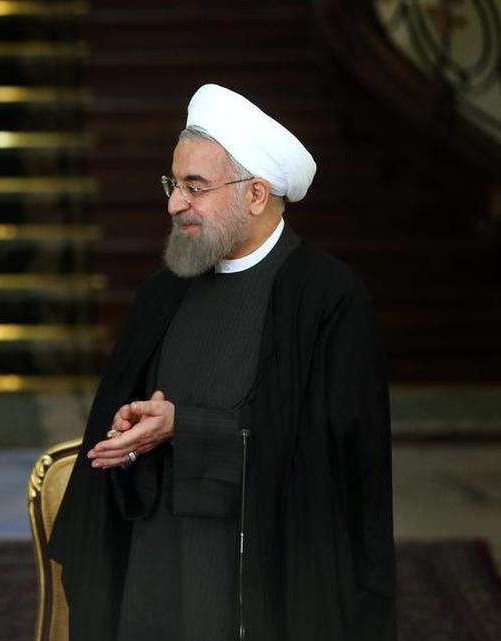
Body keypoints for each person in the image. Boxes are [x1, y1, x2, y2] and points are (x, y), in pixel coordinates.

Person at [49, 84, 396, 641]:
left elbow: (331, 466)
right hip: (155, 568)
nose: (174, 203)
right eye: (173, 184)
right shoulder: (163, 292)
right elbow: (121, 432)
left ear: (256, 194)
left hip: (263, 586)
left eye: (195, 186)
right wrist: (128, 437)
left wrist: (187, 429)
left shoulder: (327, 299)